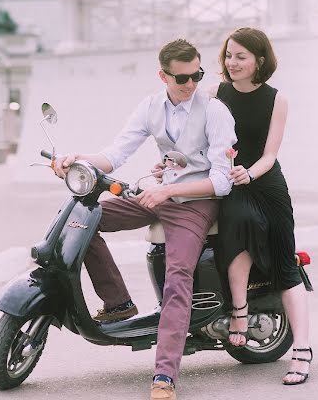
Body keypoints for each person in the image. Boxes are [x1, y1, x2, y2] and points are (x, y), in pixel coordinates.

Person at [54, 39, 236, 400]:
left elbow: (222, 180)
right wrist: (77, 159)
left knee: (178, 274)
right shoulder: (150, 107)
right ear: (163, 75)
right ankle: (119, 302)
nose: (190, 84)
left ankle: (165, 375)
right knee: (81, 219)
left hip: (195, 203)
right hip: (156, 195)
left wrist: (168, 191)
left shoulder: (215, 111)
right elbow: (115, 154)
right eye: (182, 77)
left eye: (197, 74)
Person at [209, 27, 312, 386]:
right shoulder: (215, 94)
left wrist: (248, 174)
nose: (232, 62)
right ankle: (239, 310)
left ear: (260, 61)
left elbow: (270, 155)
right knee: (236, 228)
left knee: (287, 265)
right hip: (231, 184)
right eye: (228, 55)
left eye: (241, 56)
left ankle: (301, 349)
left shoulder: (276, 99)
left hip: (264, 184)